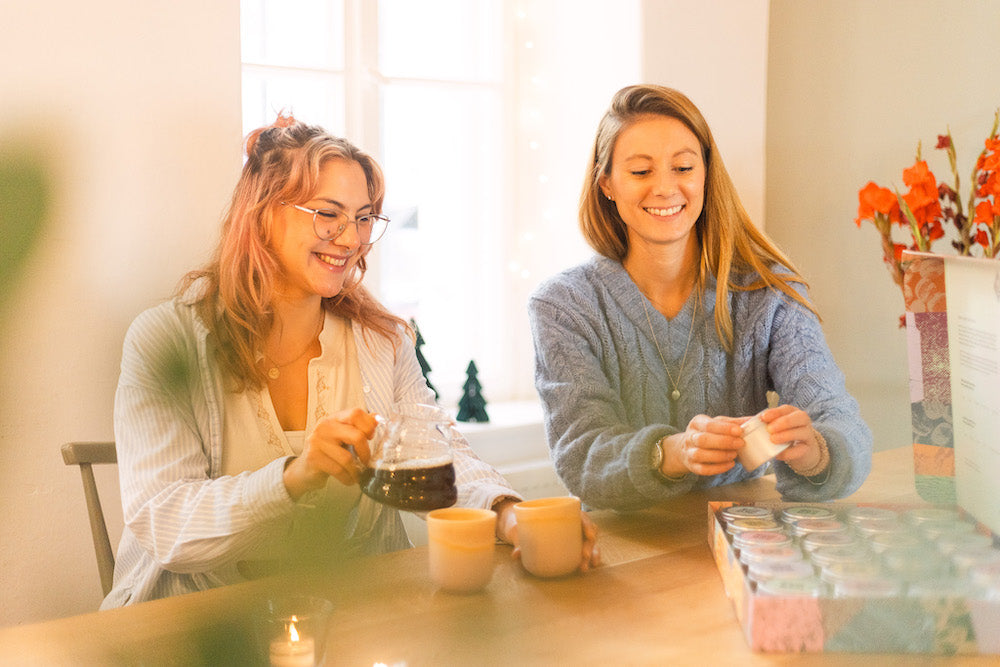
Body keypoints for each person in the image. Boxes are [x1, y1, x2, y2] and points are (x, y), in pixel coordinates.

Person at [103, 115, 598, 608]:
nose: (350, 239)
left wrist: (509, 514)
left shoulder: (383, 341)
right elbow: (164, 523)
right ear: (261, 214)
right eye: (328, 213)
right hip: (198, 629)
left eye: (363, 218)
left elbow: (439, 456)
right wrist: (295, 476)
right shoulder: (165, 340)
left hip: (355, 613)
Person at [528, 85, 872, 511]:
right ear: (607, 185)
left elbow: (844, 426)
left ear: (705, 174)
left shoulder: (768, 293)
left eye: (684, 167)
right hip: (624, 551)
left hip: (746, 536)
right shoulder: (564, 306)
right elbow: (582, 456)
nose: (665, 188)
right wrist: (673, 453)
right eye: (640, 172)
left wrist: (815, 451)